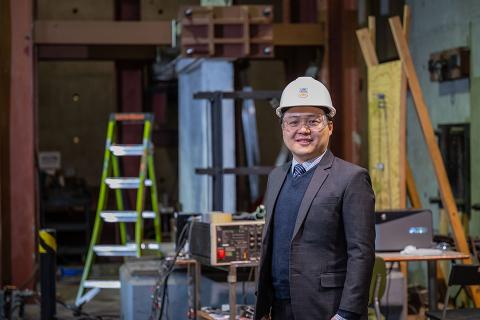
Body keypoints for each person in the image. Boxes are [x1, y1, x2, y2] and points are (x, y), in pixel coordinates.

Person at [254, 77, 375, 320]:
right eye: (293, 122)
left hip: (327, 309)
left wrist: (346, 314)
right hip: (278, 308)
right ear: (283, 128)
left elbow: (361, 252)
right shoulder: (276, 177)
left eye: (313, 121)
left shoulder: (352, 178)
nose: (303, 130)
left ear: (330, 127)